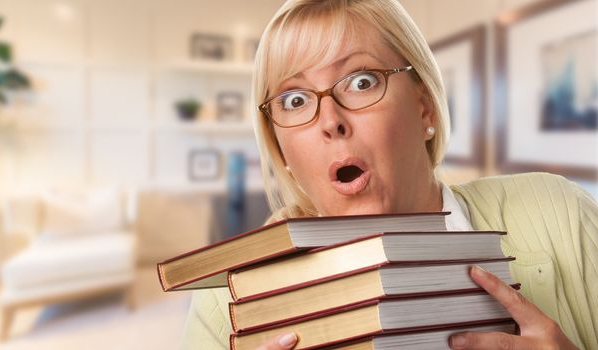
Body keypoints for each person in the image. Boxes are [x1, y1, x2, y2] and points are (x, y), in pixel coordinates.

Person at [181, 1, 598, 349]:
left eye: (361, 81)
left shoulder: (560, 213)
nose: (330, 121)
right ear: (280, 148)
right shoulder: (228, 301)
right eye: (294, 99)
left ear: (424, 108)